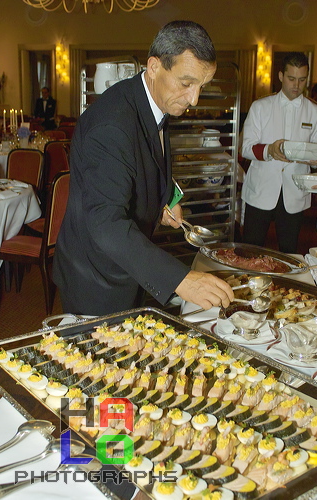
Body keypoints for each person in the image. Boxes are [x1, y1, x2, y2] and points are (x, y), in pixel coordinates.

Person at [53, 20, 234, 317]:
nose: (194, 99)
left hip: (128, 266)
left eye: (202, 86)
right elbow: (106, 223)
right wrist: (181, 279)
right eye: (187, 83)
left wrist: (165, 198)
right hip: (96, 278)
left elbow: (140, 162)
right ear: (154, 67)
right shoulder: (112, 124)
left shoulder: (151, 100)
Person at [241, 52, 317, 253]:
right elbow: (245, 148)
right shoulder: (260, 107)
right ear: (280, 76)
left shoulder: (316, 112)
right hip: (260, 191)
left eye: (302, 80)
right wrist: (270, 150)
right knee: (250, 250)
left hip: (294, 194)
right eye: (291, 78)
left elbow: (316, 157)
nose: (296, 85)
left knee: (289, 253)